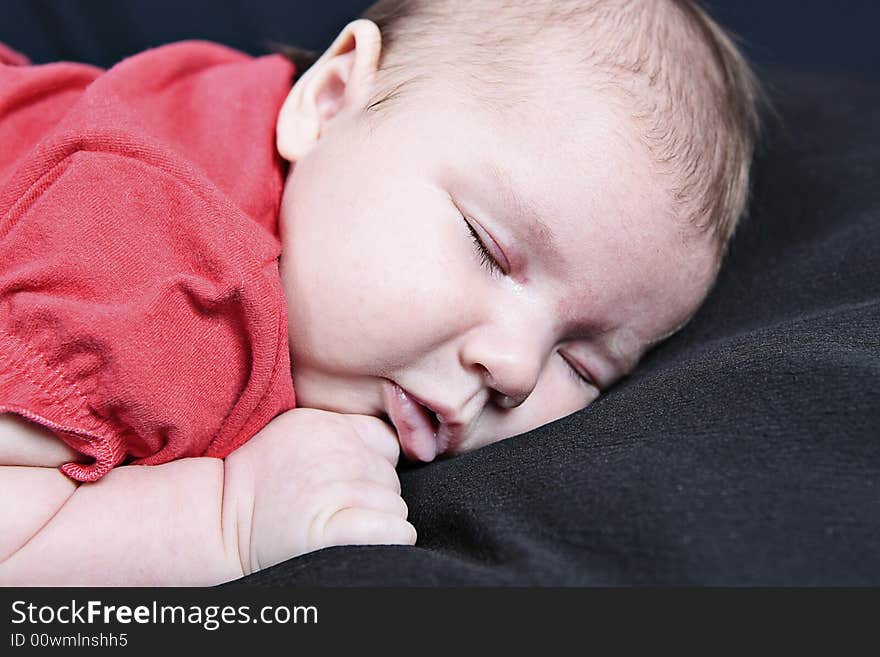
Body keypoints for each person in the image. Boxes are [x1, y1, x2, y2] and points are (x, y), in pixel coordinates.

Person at [0, 0, 762, 585]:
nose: (516, 368)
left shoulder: (334, 181)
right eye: (489, 249)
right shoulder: (164, 282)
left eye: (585, 363)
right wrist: (225, 518)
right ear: (329, 100)